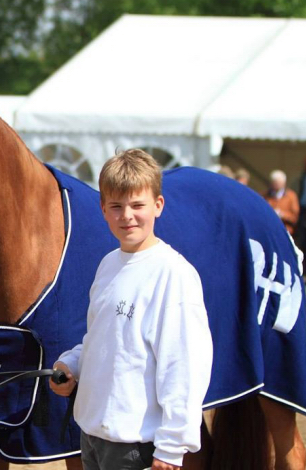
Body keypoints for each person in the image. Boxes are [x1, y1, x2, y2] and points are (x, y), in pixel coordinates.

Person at [50, 149, 213, 470]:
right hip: (93, 433)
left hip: (137, 444)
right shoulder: (108, 264)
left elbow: (185, 363)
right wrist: (72, 365)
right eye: (116, 206)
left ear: (158, 206)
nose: (127, 216)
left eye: (138, 205)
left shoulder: (173, 274)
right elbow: (103, 339)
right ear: (103, 210)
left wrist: (171, 447)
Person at [263, 170, 300, 237]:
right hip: (269, 230)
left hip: (285, 230)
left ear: (284, 183)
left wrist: (282, 215)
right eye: (275, 182)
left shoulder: (291, 196)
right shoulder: (265, 196)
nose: (276, 185)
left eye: (279, 182)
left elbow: (295, 217)